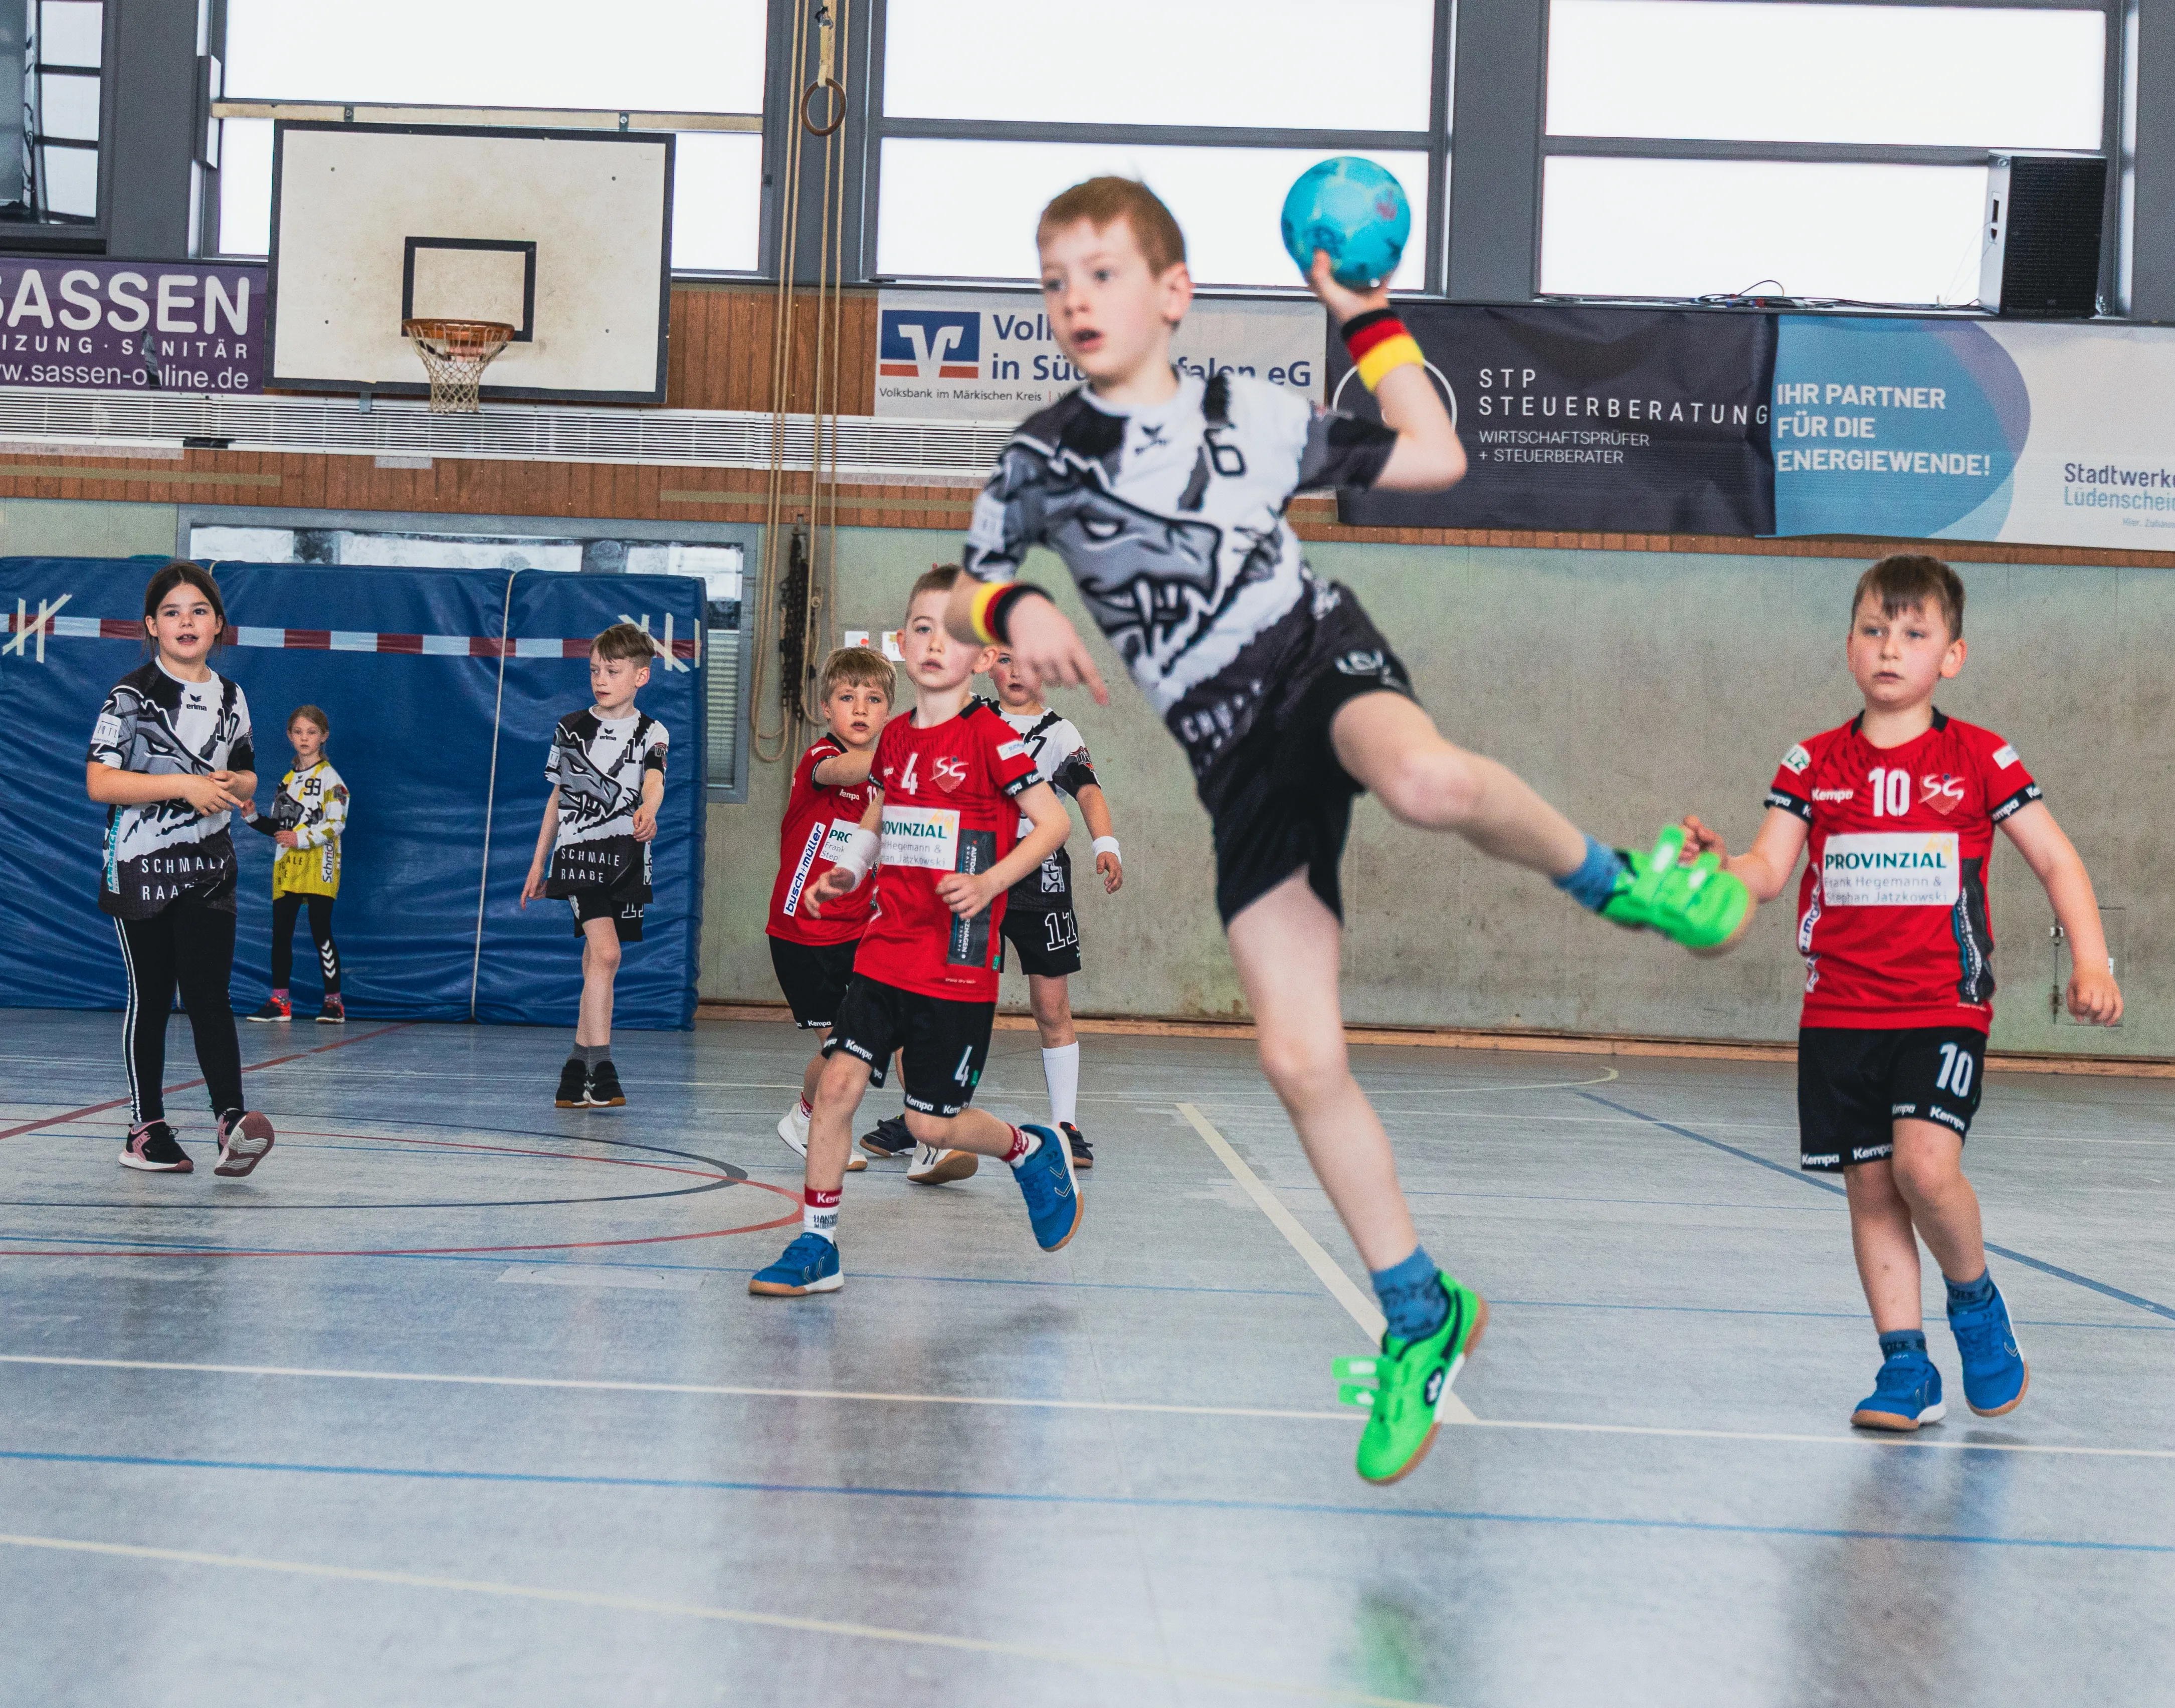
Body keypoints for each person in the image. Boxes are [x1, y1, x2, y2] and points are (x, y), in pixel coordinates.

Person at [945, 176, 1752, 1482]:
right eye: (1054, 280)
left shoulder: (1250, 418)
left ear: (1172, 291)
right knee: (1297, 1053)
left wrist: (1367, 315)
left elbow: (1431, 454)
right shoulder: (1038, 458)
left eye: (1101, 272)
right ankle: (1420, 1312)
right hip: (1229, 760)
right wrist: (1009, 616)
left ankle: (1626, 878)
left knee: (1427, 781)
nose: (1074, 298)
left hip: (1312, 661)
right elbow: (974, 576)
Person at [1682, 554, 2121, 1432]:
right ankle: (1904, 1367)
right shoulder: (1810, 762)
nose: (1890, 649)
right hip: (1838, 1012)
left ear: (1949, 655)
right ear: (1847, 645)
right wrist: (1719, 866)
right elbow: (1768, 870)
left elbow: (2053, 856)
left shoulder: (1978, 757)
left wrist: (2092, 958)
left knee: (1925, 1168)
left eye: (1913, 633)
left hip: (1940, 1003)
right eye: (1874, 631)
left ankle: (1975, 1309)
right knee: (1872, 1189)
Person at [746, 566, 1080, 1297]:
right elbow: (878, 814)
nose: (936, 642)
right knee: (837, 1082)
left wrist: (992, 882)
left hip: (955, 965)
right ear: (903, 642)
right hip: (883, 947)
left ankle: (1028, 1148)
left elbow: (1052, 823)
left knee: (931, 1126)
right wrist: (849, 865)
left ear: (983, 656)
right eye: (923, 627)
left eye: (956, 631)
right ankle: (816, 1244)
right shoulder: (894, 739)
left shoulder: (991, 735)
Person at [86, 559, 276, 1178]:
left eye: (198, 610)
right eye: (172, 612)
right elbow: (100, 780)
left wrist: (237, 784)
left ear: (219, 623)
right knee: (153, 993)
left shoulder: (232, 696)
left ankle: (231, 1121)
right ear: (152, 626)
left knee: (209, 993)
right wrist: (183, 785)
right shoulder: (131, 696)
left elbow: (247, 766)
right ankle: (145, 1127)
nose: (185, 621)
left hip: (209, 866)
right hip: (140, 864)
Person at [985, 637, 1124, 1169]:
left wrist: (1105, 844)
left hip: (1040, 881)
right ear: (985, 665)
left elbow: (1087, 791)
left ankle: (1065, 1121)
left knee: (1051, 1006)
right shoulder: (975, 721)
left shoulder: (1061, 733)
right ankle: (935, 1117)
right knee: (956, 1000)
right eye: (1004, 658)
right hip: (981, 874)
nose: (1017, 670)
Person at [521, 622, 668, 1109]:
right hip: (580, 855)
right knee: (606, 955)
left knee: (595, 963)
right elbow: (557, 797)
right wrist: (538, 862)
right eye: (594, 670)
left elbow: (654, 779)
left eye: (613, 670)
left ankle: (573, 1072)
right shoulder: (571, 727)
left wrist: (649, 810)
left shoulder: (653, 730)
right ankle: (603, 1067)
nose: (601, 678)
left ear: (640, 677)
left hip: (626, 859)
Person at [769, 645, 894, 1175]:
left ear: (888, 710)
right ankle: (804, 1119)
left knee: (882, 1034)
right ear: (826, 708)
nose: (860, 708)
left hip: (859, 931)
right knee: (845, 1047)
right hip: (802, 934)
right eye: (847, 697)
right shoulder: (820, 760)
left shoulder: (894, 783)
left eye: (873, 698)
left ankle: (929, 1129)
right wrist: (916, 748)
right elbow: (848, 769)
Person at [244, 704, 350, 1024]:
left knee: (321, 930)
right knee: (281, 933)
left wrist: (301, 839)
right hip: (287, 864)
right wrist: (252, 817)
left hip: (320, 862)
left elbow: (337, 823)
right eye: (299, 732)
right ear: (290, 737)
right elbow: (280, 828)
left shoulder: (332, 779)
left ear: (323, 736)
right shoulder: (287, 781)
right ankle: (280, 1002)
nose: (305, 738)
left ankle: (334, 1003)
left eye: (312, 732)